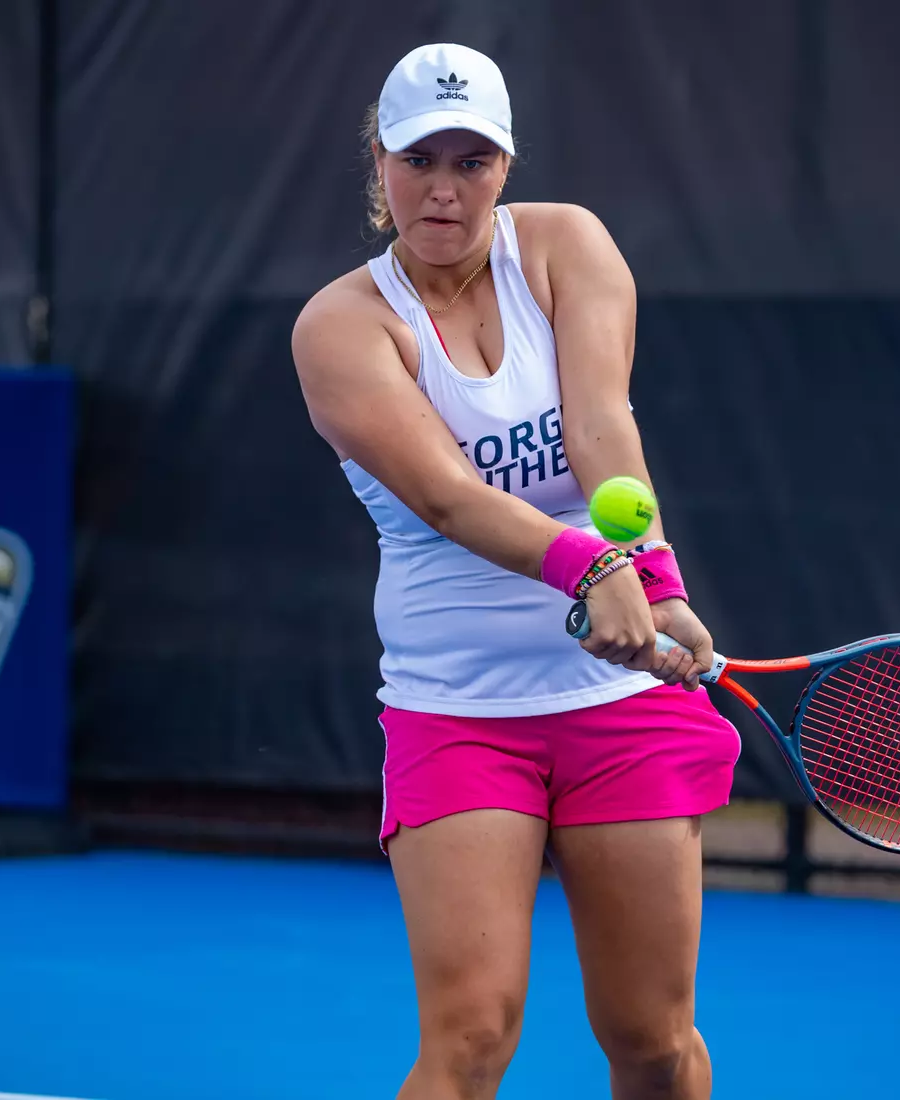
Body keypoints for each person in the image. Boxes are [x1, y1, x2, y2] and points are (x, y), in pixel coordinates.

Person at [291, 42, 741, 1100]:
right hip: (458, 710)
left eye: (472, 161)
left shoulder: (567, 246)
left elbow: (601, 424)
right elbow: (448, 495)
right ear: (378, 161)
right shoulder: (339, 326)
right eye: (418, 160)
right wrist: (588, 566)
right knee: (469, 1038)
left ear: (506, 164)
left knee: (653, 1040)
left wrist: (654, 577)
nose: (443, 189)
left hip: (618, 705)